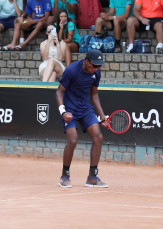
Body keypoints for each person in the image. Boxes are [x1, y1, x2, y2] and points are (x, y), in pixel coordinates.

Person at [56, 49, 108, 188]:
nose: (96, 69)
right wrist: (63, 112)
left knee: (98, 137)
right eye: (94, 66)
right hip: (69, 109)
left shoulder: (96, 73)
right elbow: (59, 91)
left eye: (99, 66)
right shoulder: (72, 70)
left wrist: (102, 115)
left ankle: (92, 177)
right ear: (86, 62)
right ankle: (64, 176)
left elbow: (94, 95)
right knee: (72, 140)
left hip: (85, 109)